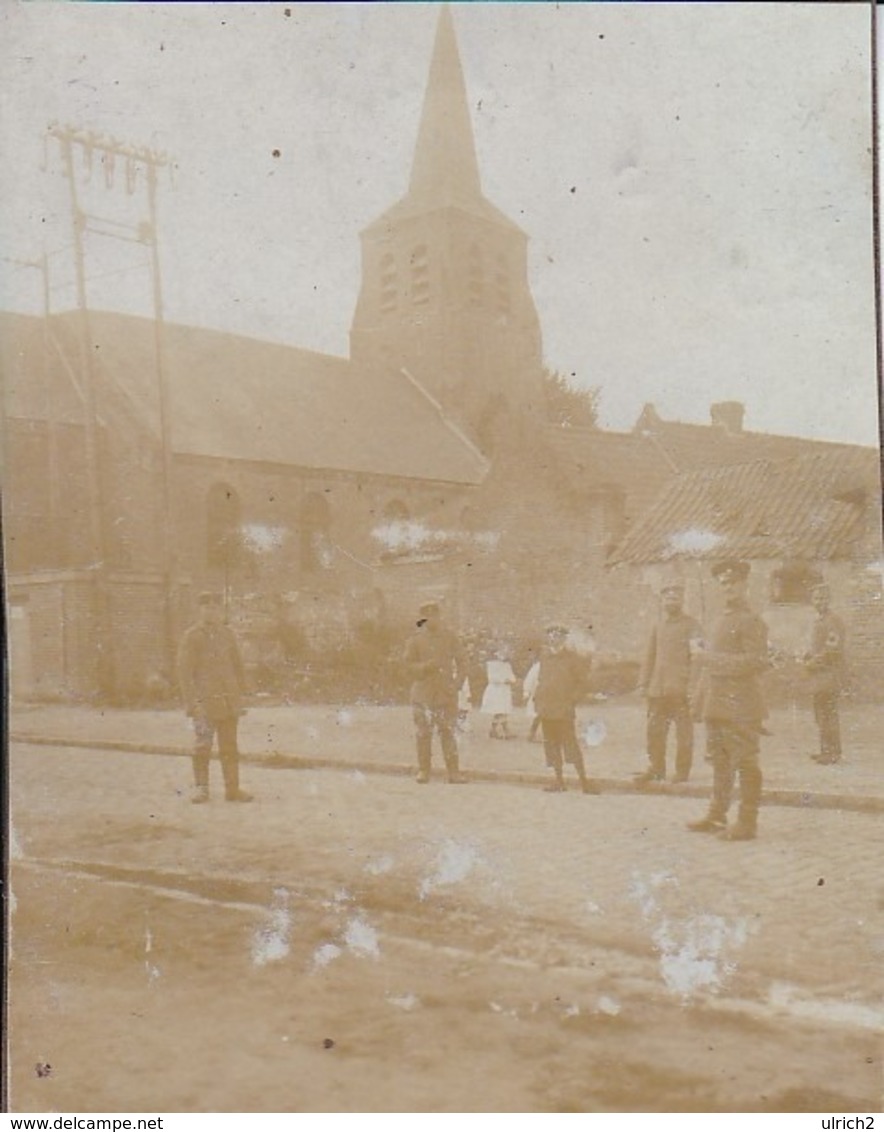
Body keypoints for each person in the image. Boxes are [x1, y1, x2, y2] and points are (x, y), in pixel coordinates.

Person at [687, 560, 768, 841]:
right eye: (723, 583)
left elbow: (754, 662)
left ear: (745, 584)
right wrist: (698, 702)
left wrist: (706, 656)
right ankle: (717, 814)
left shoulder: (751, 621)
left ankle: (747, 822)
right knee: (720, 764)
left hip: (741, 706)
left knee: (745, 762)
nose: (728, 587)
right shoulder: (719, 620)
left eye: (733, 582)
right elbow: (710, 669)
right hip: (717, 705)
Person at [177, 591, 252, 804]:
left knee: (229, 747)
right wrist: (192, 704)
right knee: (203, 746)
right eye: (207, 607)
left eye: (215, 607)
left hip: (228, 702)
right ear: (200, 610)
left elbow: (237, 666)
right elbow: (184, 672)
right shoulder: (192, 636)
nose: (211, 611)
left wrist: (241, 696)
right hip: (204, 703)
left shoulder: (227, 634)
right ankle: (202, 789)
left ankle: (233, 789)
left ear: (220, 610)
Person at [635, 581, 703, 784]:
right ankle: (656, 769)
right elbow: (650, 656)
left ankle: (682, 771)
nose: (670, 602)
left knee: (684, 735)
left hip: (681, 690)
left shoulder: (693, 626)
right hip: (658, 690)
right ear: (662, 602)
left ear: (682, 601)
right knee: (655, 732)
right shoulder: (658, 626)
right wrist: (643, 683)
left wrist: (692, 687)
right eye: (667, 599)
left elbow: (698, 659)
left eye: (675, 598)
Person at [403, 600, 469, 784]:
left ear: (439, 617)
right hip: (422, 694)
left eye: (434, 616)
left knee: (448, 732)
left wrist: (456, 685)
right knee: (423, 733)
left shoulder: (450, 637)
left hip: (444, 694)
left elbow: (463, 661)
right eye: (426, 616)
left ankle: (453, 772)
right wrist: (425, 666)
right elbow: (407, 666)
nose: (430, 620)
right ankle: (424, 770)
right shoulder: (415, 640)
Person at [534, 624, 593, 794]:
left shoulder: (573, 658)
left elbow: (582, 683)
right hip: (546, 708)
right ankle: (559, 781)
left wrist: (571, 700)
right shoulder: (545, 656)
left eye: (558, 636)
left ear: (564, 638)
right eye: (551, 635)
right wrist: (539, 699)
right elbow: (542, 679)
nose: (553, 639)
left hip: (563, 709)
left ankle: (584, 782)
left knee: (570, 745)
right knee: (551, 746)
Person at [803, 582, 846, 765]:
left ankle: (832, 753)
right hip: (819, 677)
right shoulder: (818, 620)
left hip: (828, 674)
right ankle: (825, 750)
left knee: (828, 713)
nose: (819, 602)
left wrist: (813, 662)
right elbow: (818, 647)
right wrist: (807, 655)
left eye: (823, 598)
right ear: (812, 601)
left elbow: (833, 649)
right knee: (821, 713)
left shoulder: (832, 621)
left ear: (828, 600)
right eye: (816, 598)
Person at [480, 645, 517, 738]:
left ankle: (495, 730)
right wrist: (504, 680)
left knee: (503, 710)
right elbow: (492, 678)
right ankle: (504, 730)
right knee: (498, 710)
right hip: (496, 690)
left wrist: (512, 680)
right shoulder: (492, 665)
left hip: (504, 690)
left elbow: (512, 676)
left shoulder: (507, 665)